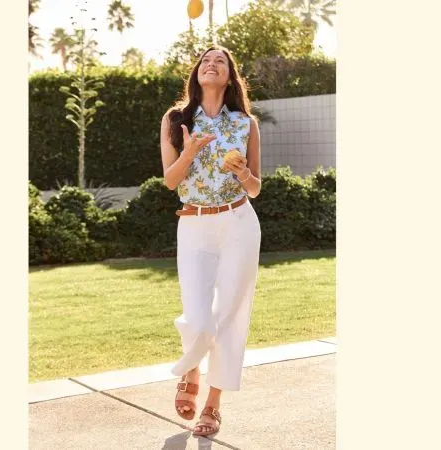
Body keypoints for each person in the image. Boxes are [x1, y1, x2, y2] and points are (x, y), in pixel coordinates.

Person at [159, 45, 262, 437]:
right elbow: (171, 180)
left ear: (230, 76)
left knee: (230, 316)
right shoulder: (176, 119)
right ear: (197, 72)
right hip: (195, 225)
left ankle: (213, 404)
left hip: (238, 221)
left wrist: (243, 174)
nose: (211, 64)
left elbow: (256, 188)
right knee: (200, 316)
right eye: (205, 60)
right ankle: (190, 366)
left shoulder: (245, 123)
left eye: (220, 61)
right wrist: (188, 153)